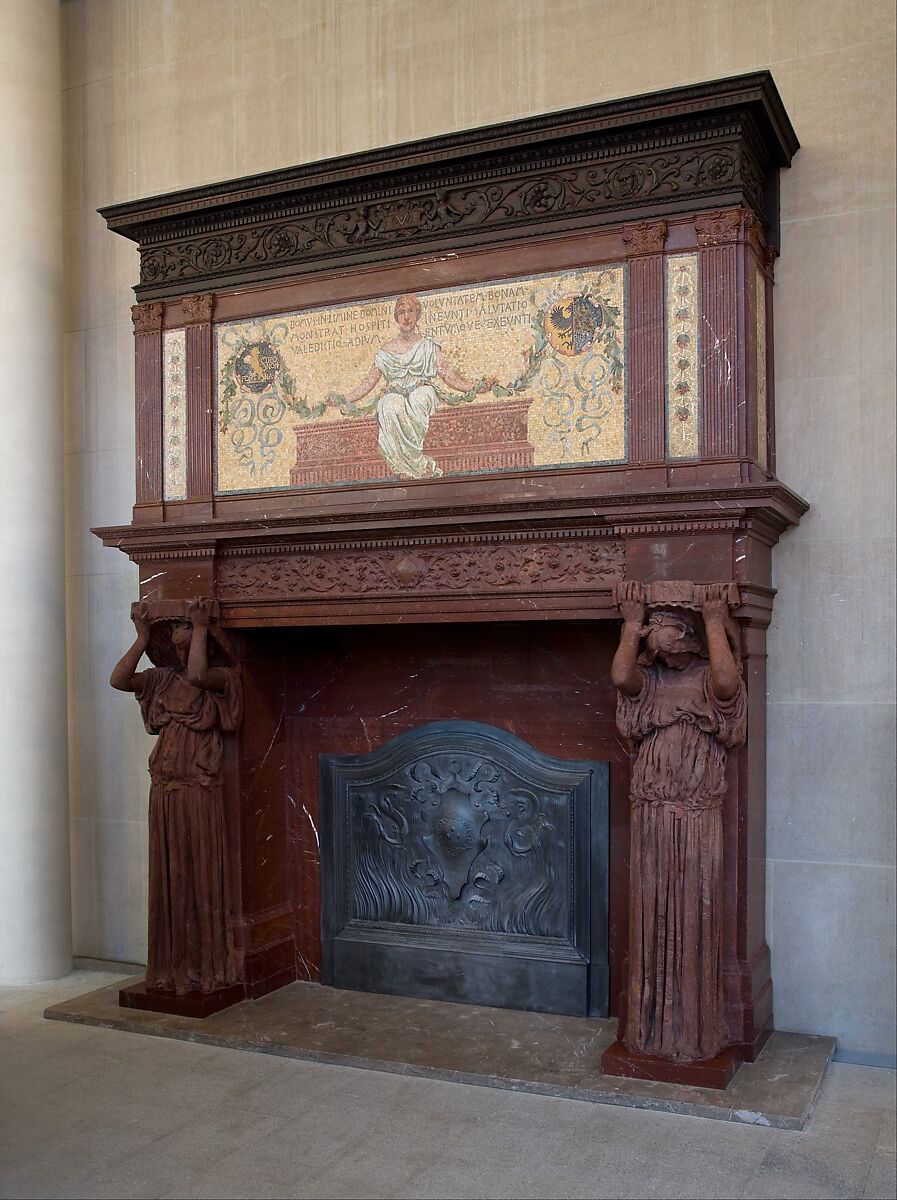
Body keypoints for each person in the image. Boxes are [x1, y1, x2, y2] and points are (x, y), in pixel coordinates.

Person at [610, 581, 747, 1062]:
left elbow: (729, 686)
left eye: (661, 628)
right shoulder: (650, 684)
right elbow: (622, 678)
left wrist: (714, 620)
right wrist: (630, 625)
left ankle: (693, 1027)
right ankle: (649, 1027)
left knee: (692, 907)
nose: (655, 636)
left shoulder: (710, 681)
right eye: (651, 630)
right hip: (651, 808)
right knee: (651, 905)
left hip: (696, 812)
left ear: (686, 636)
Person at [110, 598, 242, 995]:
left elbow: (200, 675)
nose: (175, 634)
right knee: (171, 876)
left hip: (199, 792)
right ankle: (171, 967)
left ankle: (206, 968)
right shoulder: (161, 679)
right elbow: (118, 679)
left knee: (198, 873)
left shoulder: (224, 677)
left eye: (180, 625)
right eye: (174, 629)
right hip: (165, 790)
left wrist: (202, 625)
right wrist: (140, 638)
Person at [331, 293, 494, 479]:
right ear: (396, 318)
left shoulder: (429, 346)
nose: (406, 317)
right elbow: (369, 382)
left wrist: (474, 388)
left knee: (419, 398)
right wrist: (343, 400)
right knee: (388, 404)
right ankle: (409, 466)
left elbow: (447, 374)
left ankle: (414, 463)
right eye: (401, 312)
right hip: (394, 393)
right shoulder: (385, 351)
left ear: (417, 315)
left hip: (422, 390)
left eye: (410, 311)